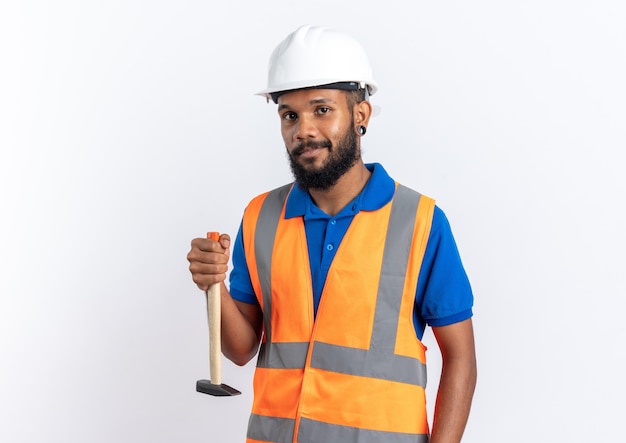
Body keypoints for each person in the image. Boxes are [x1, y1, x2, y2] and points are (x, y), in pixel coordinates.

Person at [187, 24, 477, 443]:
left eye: (322, 109)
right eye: (289, 114)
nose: (303, 129)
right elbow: (241, 349)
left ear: (360, 115)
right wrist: (214, 287)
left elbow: (461, 357)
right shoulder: (261, 216)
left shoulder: (420, 221)